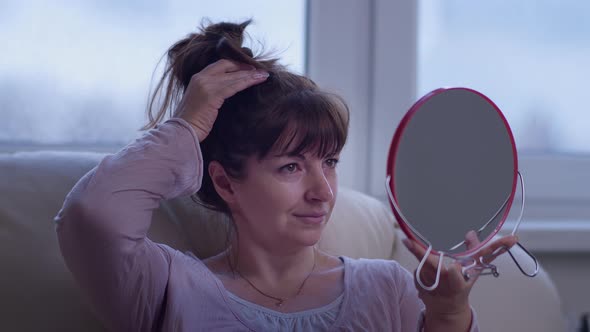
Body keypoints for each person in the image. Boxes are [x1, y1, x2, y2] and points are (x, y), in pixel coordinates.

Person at [55, 20, 517, 331]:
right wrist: (188, 126)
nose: (323, 191)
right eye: (292, 167)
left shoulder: (388, 289)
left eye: (330, 162)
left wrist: (449, 312)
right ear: (225, 183)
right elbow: (92, 214)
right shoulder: (167, 289)